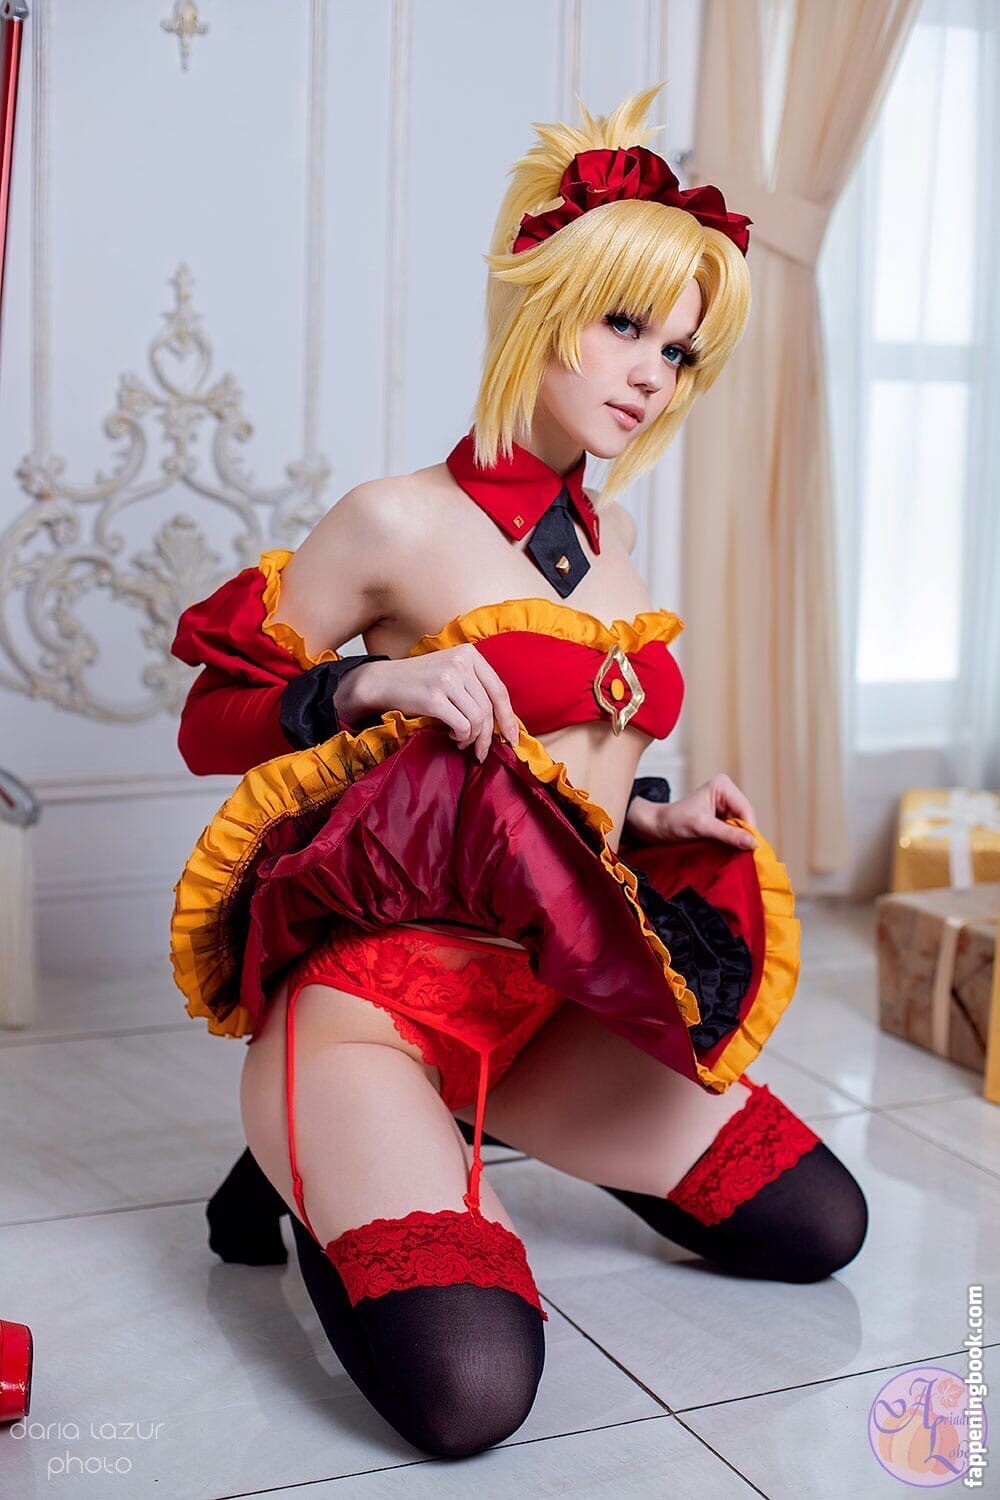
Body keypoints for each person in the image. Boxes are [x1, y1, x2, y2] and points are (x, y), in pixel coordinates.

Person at [169, 85, 868, 1459]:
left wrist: (658, 814)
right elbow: (209, 721)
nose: (650, 374)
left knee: (816, 1222)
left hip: (541, 1004)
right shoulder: (393, 521)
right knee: (474, 1392)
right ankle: (309, 1161)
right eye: (626, 324)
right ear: (542, 299)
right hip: (371, 1003)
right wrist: (369, 683)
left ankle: (408, 1142)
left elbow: (542, 786)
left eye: (680, 351)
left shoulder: (616, 552)